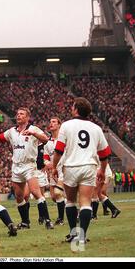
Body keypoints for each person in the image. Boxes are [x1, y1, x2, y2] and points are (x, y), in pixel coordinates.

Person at [52, 97, 112, 244]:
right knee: (85, 202)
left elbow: (59, 150)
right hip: (89, 167)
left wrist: (54, 166)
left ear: (76, 109)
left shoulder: (66, 125)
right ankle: (82, 236)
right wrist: (102, 171)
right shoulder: (96, 128)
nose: (71, 109)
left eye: (72, 106)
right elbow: (104, 154)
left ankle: (73, 234)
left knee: (70, 201)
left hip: (71, 167)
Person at [0, 107, 53, 230]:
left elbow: (45, 139)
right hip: (16, 166)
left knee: (36, 192)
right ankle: (25, 222)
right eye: (17, 114)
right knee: (19, 197)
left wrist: (34, 134)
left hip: (29, 165)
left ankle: (47, 220)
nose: (18, 116)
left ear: (27, 117)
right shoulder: (12, 131)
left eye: (21, 114)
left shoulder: (33, 129)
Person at [43, 117, 66, 226]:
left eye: (54, 122)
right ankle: (74, 211)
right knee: (53, 196)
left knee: (58, 194)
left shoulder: (64, 139)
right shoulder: (48, 142)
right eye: (50, 122)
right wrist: (47, 163)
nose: (51, 123)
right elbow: (46, 157)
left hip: (64, 170)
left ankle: (60, 218)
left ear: (59, 125)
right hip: (53, 171)